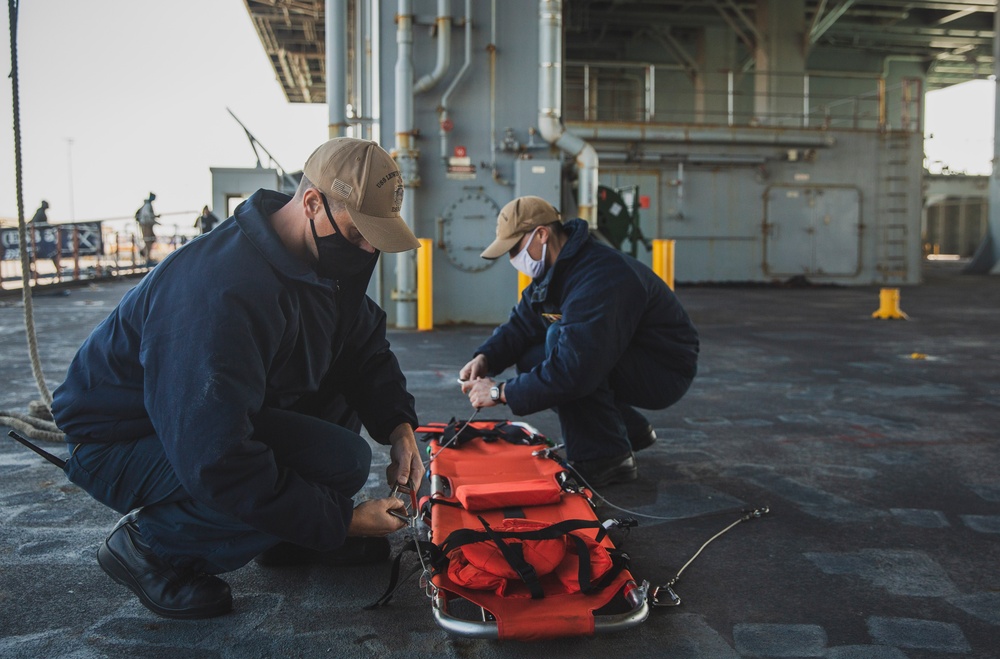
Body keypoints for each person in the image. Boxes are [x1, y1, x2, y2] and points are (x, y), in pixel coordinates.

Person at [51, 138, 424, 620]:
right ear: (312, 203)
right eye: (358, 234)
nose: (368, 249)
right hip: (121, 441)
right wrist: (343, 522)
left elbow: (362, 348)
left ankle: (291, 534)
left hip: (207, 423)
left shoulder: (320, 260)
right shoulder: (218, 290)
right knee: (340, 462)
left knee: (339, 441)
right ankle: (150, 547)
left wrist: (400, 429)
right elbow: (217, 458)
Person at [459, 196, 699, 488]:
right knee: (533, 358)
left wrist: (499, 392)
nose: (512, 260)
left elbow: (574, 370)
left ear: (542, 234)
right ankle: (626, 429)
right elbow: (522, 325)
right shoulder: (554, 273)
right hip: (625, 355)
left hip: (664, 369)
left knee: (560, 342)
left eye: (514, 249)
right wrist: (486, 358)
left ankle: (606, 458)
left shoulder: (599, 275)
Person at [135, 192, 159, 261]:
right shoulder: (147, 205)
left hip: (148, 225)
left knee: (151, 239)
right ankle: (146, 256)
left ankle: (144, 252)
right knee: (148, 240)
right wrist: (155, 221)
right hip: (146, 225)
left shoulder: (148, 205)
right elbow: (147, 216)